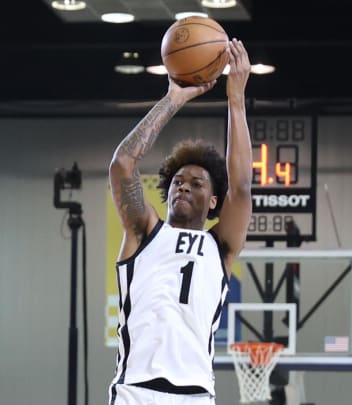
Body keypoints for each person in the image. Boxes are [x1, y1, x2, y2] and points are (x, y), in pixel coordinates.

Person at [106, 39, 252, 404]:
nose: (183, 186)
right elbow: (123, 165)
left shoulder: (220, 247)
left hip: (195, 395)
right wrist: (174, 97)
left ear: (214, 200)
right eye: (177, 181)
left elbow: (243, 187)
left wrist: (235, 99)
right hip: (136, 391)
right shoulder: (145, 232)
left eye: (196, 183)